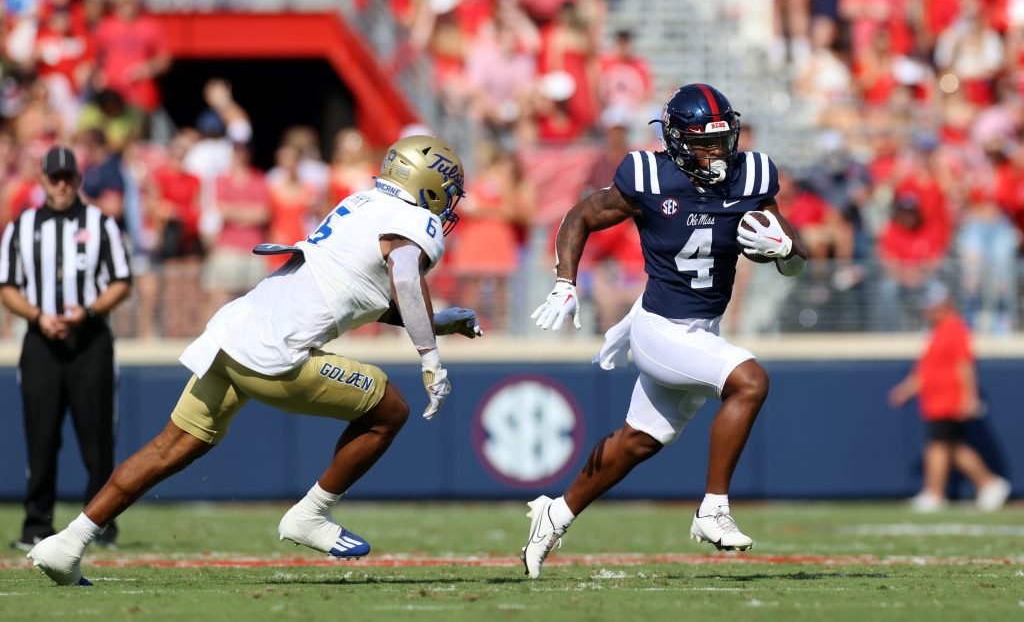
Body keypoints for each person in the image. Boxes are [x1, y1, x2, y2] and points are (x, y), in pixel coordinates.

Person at [26, 135, 483, 586]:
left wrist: (437, 321)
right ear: (428, 183)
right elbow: (404, 278)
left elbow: (363, 295)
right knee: (391, 410)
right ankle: (311, 515)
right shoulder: (413, 220)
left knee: (171, 447)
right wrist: (431, 358)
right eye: (447, 190)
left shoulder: (362, 203)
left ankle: (67, 542)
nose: (447, 204)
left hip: (235, 332)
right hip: (276, 354)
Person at [522, 84, 808, 579]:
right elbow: (581, 215)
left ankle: (557, 512)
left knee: (639, 441)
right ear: (675, 140)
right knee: (750, 381)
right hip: (659, 327)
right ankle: (712, 509)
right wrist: (565, 282)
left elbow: (797, 264)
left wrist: (786, 250)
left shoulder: (753, 175)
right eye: (702, 142)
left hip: (703, 328)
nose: (715, 153)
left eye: (722, 141)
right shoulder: (648, 175)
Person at [0, 146, 133, 552]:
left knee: (96, 437)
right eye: (53, 177)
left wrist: (89, 311)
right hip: (40, 341)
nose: (61, 184)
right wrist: (39, 316)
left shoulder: (101, 224)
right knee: (40, 435)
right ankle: (36, 523)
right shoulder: (21, 227)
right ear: (41, 179)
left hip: (90, 340)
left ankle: (100, 525)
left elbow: (121, 281)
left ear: (77, 179)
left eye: (67, 177)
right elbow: (7, 286)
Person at [887, 283, 1012, 513]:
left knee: (938, 446)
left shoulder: (956, 329)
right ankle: (989, 483)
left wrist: (968, 397)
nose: (928, 312)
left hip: (948, 400)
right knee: (953, 447)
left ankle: (935, 493)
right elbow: (925, 371)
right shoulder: (937, 332)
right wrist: (906, 389)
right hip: (935, 402)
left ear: (944, 305)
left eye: (932, 307)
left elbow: (965, 365)